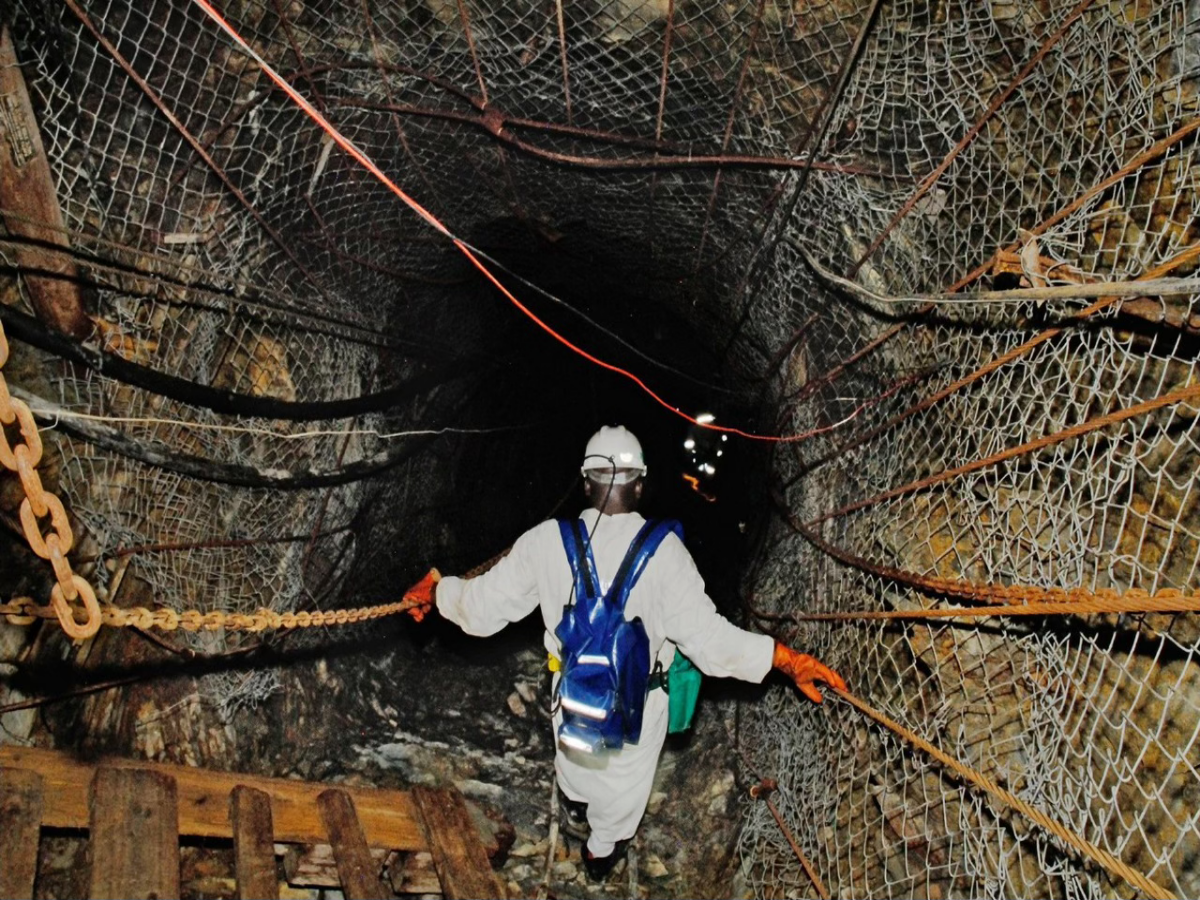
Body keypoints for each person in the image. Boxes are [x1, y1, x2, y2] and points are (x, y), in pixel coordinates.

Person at [402, 425, 846, 880]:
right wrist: (788, 661)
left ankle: (576, 801)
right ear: (639, 485)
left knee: (575, 763)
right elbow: (711, 642)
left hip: (573, 695)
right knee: (622, 792)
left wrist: (436, 592)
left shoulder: (545, 541)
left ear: (586, 483)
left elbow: (481, 607)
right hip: (639, 706)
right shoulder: (666, 553)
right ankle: (600, 854)